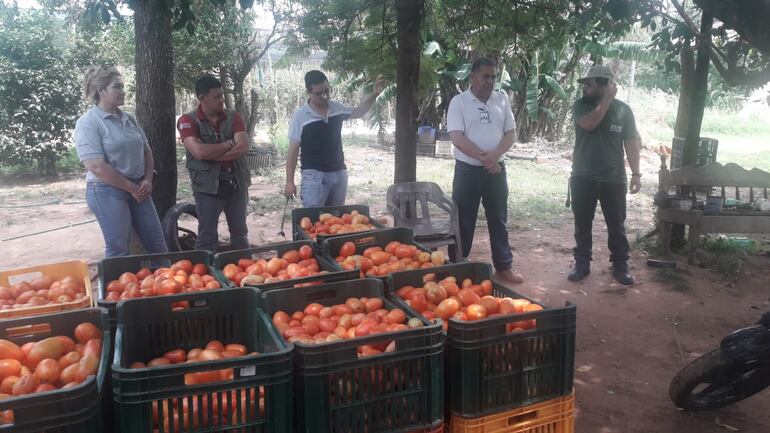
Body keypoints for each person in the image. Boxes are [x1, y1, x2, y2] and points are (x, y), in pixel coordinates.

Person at [74, 65, 168, 257]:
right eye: (117, 87)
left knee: (157, 244)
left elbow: (146, 151)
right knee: (118, 248)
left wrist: (147, 180)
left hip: (138, 187)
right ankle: (116, 287)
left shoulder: (129, 119)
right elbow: (96, 166)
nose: (123, 91)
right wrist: (132, 188)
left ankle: (165, 286)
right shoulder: (89, 122)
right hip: (106, 190)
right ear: (101, 91)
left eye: (123, 86)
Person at [447, 57, 524, 285]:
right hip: (467, 172)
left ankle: (503, 266)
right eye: (485, 76)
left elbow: (510, 133)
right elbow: (457, 137)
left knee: (499, 218)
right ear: (472, 77)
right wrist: (485, 157)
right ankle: (458, 265)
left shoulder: (502, 100)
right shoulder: (459, 102)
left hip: (496, 172)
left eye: (493, 76)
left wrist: (494, 157)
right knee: (463, 219)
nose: (490, 81)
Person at [568, 65, 641, 285]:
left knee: (617, 225)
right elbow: (589, 124)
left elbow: (631, 143)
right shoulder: (581, 106)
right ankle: (582, 263)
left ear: (605, 86)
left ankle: (620, 265)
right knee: (582, 224)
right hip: (583, 176)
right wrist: (606, 102)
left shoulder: (624, 111)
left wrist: (636, 173)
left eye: (589, 84)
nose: (584, 88)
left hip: (614, 178)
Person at [284, 70, 383, 207]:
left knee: (336, 221)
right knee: (313, 222)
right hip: (314, 177)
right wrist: (290, 182)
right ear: (309, 92)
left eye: (327, 90)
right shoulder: (300, 116)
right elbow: (293, 150)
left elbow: (359, 111)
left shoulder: (337, 108)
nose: (325, 96)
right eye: (319, 93)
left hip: (339, 174)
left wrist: (375, 94)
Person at [177, 75, 251, 252]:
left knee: (240, 234)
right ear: (202, 98)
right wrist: (227, 144)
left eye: (222, 95)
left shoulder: (234, 117)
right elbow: (198, 152)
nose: (222, 100)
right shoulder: (187, 121)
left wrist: (214, 156)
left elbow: (243, 147)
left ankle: (245, 275)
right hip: (207, 188)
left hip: (236, 183)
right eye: (217, 97)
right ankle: (205, 277)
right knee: (207, 236)